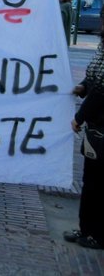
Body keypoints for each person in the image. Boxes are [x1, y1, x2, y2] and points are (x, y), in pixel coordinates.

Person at [65, 19, 104, 249]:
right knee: (90, 181)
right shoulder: (102, 48)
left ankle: (97, 234)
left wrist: (79, 117)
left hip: (100, 124)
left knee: (98, 184)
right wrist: (83, 87)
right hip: (96, 128)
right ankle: (86, 228)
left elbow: (102, 90)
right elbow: (95, 79)